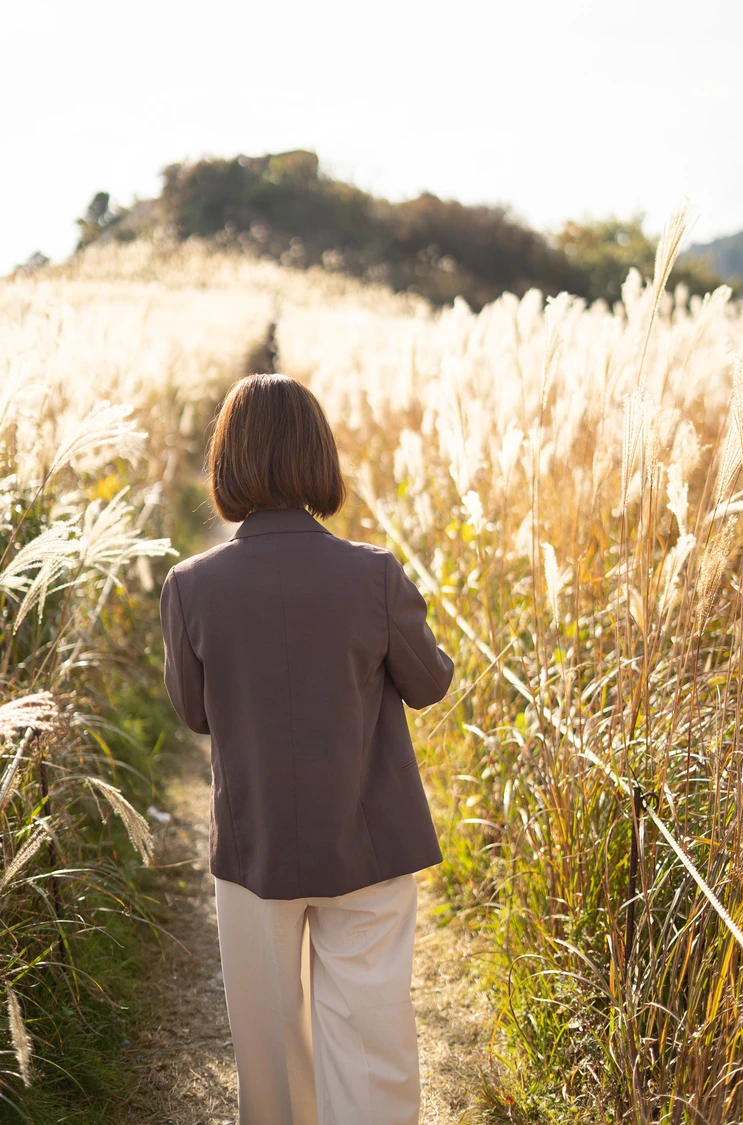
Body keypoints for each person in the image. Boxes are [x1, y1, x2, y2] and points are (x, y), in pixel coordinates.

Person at [159, 372, 454, 1125]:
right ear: (320, 459)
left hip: (255, 849)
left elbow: (195, 713)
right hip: (368, 842)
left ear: (225, 463)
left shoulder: (190, 585)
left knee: (270, 1059)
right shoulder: (375, 573)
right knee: (370, 1043)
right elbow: (429, 685)